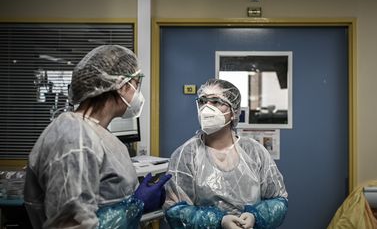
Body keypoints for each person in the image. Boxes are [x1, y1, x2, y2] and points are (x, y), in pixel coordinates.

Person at [23, 45, 171, 229]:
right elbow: (70, 225)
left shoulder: (96, 133)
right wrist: (137, 206)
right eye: (137, 84)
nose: (138, 94)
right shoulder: (73, 138)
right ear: (122, 86)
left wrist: (134, 200)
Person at [164, 78, 288, 229]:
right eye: (202, 101)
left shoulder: (255, 152)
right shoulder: (185, 155)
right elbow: (174, 211)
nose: (206, 108)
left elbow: (279, 200)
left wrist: (255, 216)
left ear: (234, 113)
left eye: (216, 102)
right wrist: (218, 221)